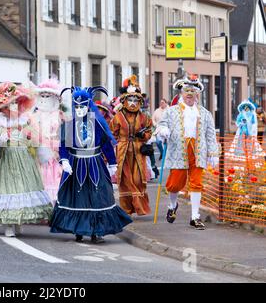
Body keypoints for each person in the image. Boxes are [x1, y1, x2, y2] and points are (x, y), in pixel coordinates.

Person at [49, 85, 132, 244]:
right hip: (75, 164)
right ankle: (78, 230)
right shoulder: (68, 125)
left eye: (83, 106)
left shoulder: (98, 124)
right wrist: (64, 161)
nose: (79, 109)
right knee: (77, 197)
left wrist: (112, 163)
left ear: (88, 105)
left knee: (98, 195)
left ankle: (97, 232)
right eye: (76, 106)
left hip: (95, 164)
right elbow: (63, 146)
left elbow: (106, 145)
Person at [0, 82, 53, 237]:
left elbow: (35, 138)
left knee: (22, 188)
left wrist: (35, 145)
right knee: (8, 189)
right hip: (6, 160)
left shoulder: (24, 121)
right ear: (1, 107)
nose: (12, 107)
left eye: (15, 103)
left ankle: (19, 220)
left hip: (23, 159)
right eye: (9, 104)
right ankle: (9, 224)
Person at [156, 74, 219, 230]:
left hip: (198, 151)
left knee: (197, 183)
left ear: (197, 94)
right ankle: (172, 205)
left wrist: (213, 153)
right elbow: (161, 124)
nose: (189, 94)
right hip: (179, 150)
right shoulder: (171, 111)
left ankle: (195, 217)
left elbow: (210, 134)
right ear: (181, 94)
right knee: (175, 184)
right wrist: (163, 130)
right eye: (186, 91)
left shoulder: (205, 113)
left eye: (192, 91)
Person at [110, 75, 153, 216]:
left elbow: (149, 131)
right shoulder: (117, 117)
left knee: (138, 179)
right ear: (125, 100)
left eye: (136, 100)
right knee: (125, 180)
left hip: (138, 151)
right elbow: (112, 134)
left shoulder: (144, 117)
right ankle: (126, 210)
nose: (133, 103)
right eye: (130, 99)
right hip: (122, 151)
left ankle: (139, 207)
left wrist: (144, 136)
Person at [30, 78, 64, 204]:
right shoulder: (34, 116)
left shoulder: (59, 115)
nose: (44, 98)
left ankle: (53, 206)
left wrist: (57, 149)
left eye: (47, 96)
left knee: (53, 177)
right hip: (38, 150)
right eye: (42, 95)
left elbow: (63, 135)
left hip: (54, 152)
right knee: (40, 176)